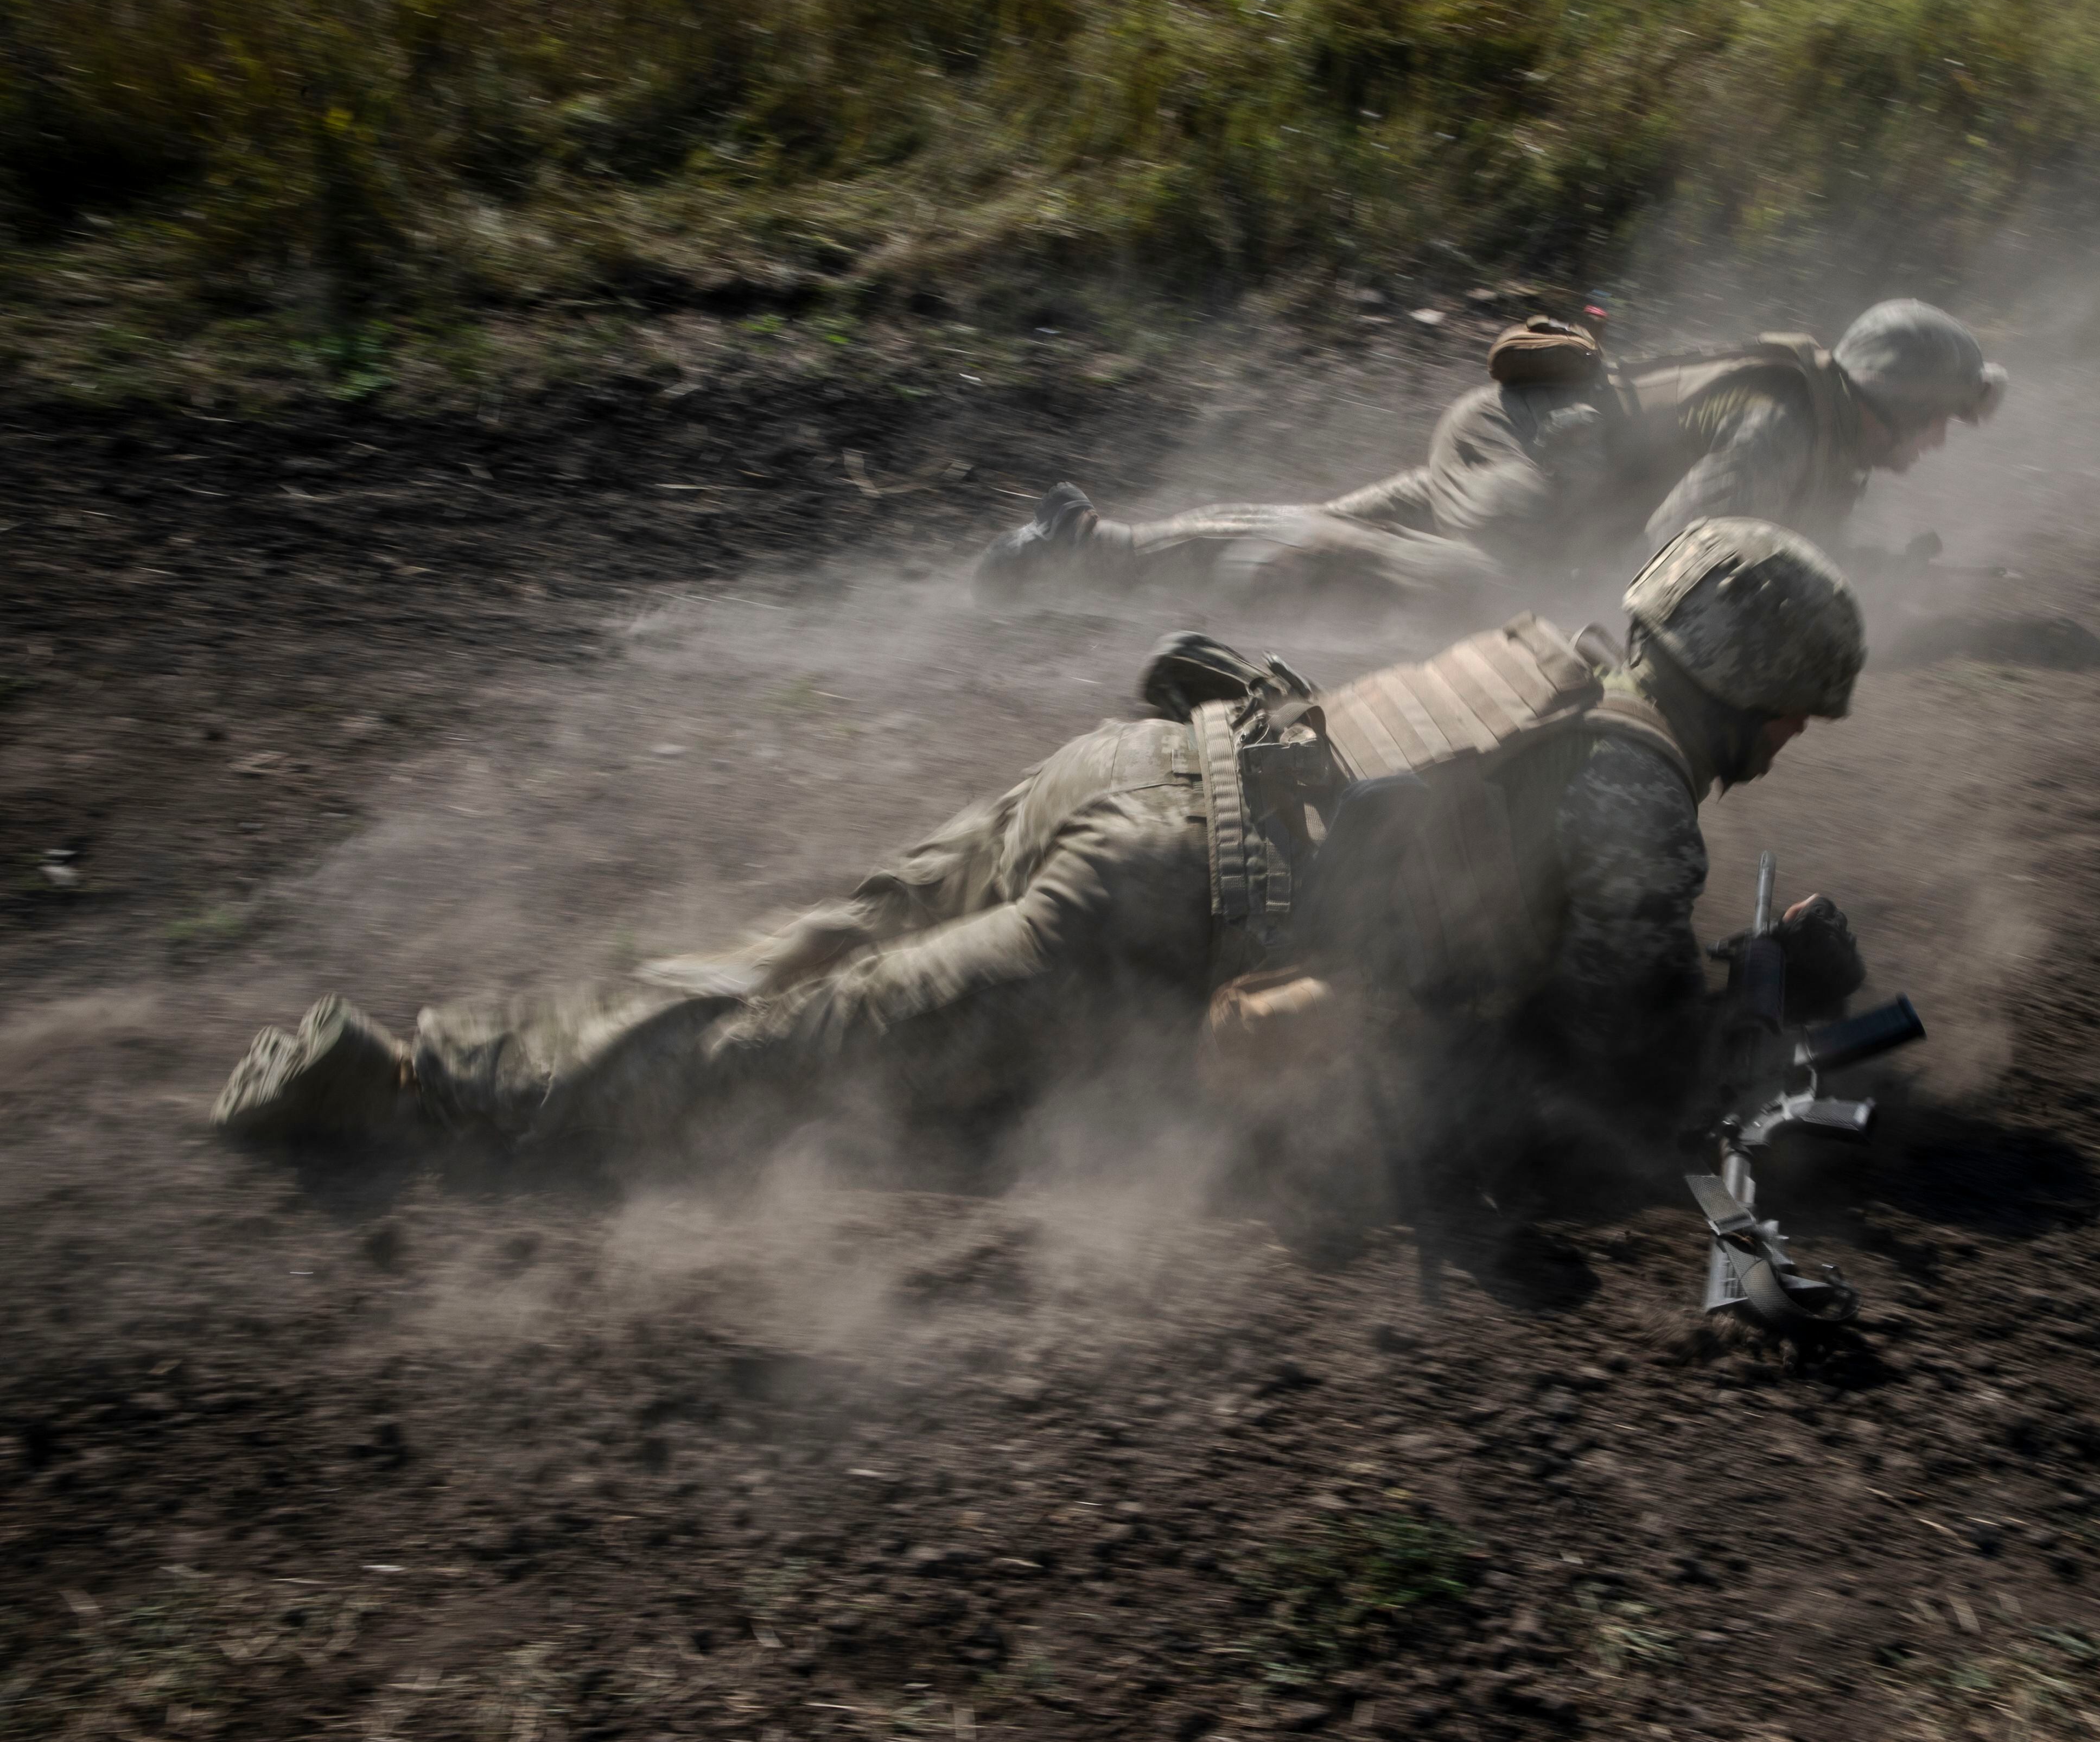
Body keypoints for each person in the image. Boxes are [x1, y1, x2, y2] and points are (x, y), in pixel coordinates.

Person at [214, 519, 1875, 1204]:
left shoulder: (1551, 661)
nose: (1792, 743)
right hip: (1148, 910)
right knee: (809, 1049)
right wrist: (1764, 987)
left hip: (1130, 772)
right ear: (1744, 683)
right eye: (1795, 711)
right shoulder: (1640, 798)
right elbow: (1606, 1048)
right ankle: (416, 1085)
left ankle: (477, 1051)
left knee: (800, 949)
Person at [973, 298, 2003, 606]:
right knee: (1480, 588)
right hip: (1524, 461)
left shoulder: (1824, 433)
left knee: (1351, 535)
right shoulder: (1785, 425)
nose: (1946, 436)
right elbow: (1674, 546)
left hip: (1528, 451)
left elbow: (1767, 539)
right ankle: (1122, 559)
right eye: (1943, 415)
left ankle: (1076, 547)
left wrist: (1862, 577)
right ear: (1893, 402)